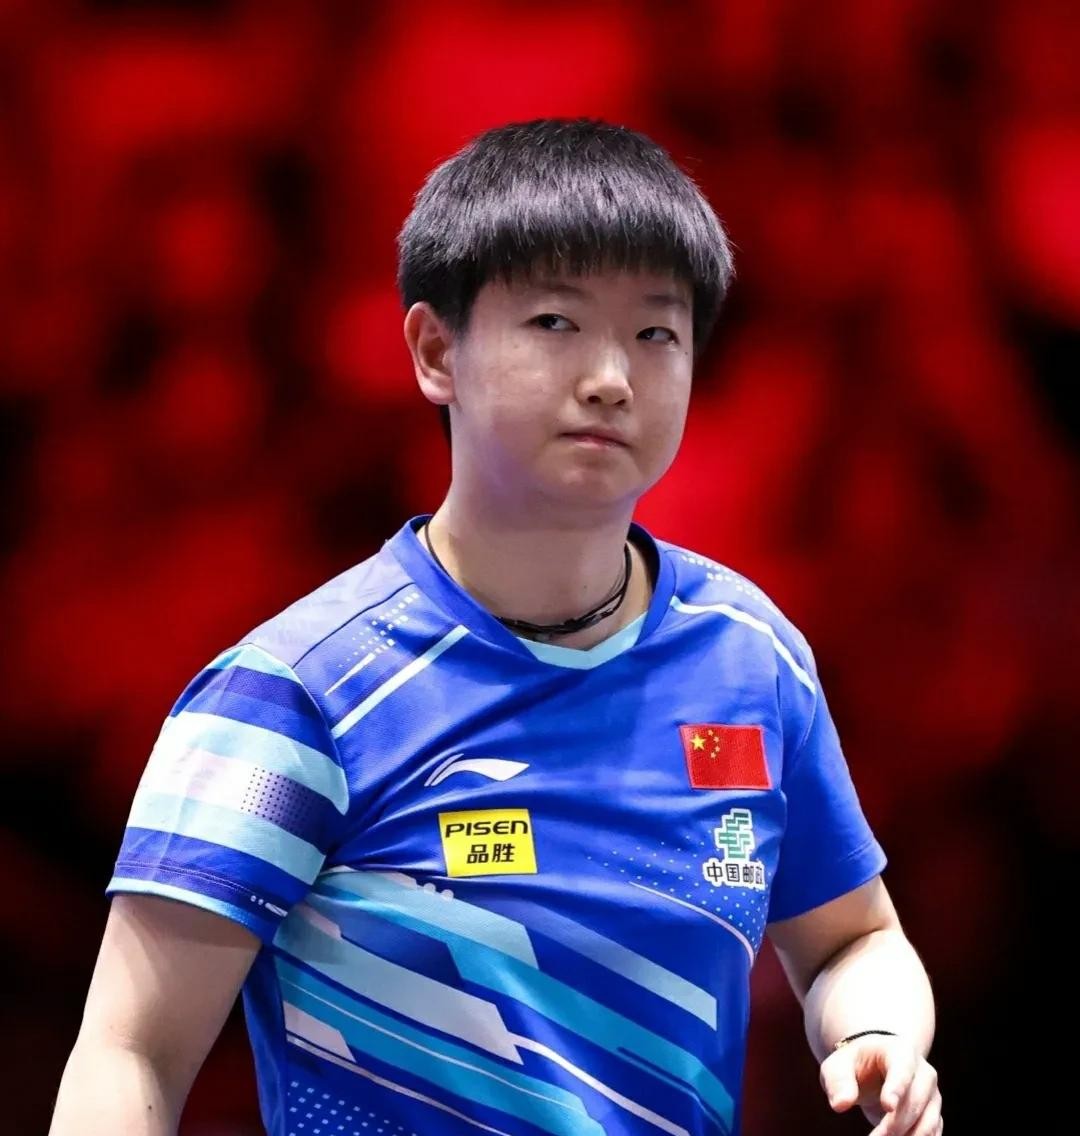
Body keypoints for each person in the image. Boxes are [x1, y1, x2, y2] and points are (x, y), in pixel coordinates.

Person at [49, 117, 941, 1136]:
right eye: (556, 322)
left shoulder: (751, 660)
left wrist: (876, 1030)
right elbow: (131, 1050)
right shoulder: (295, 697)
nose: (611, 376)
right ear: (437, 351)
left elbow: (851, 939)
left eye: (656, 333)